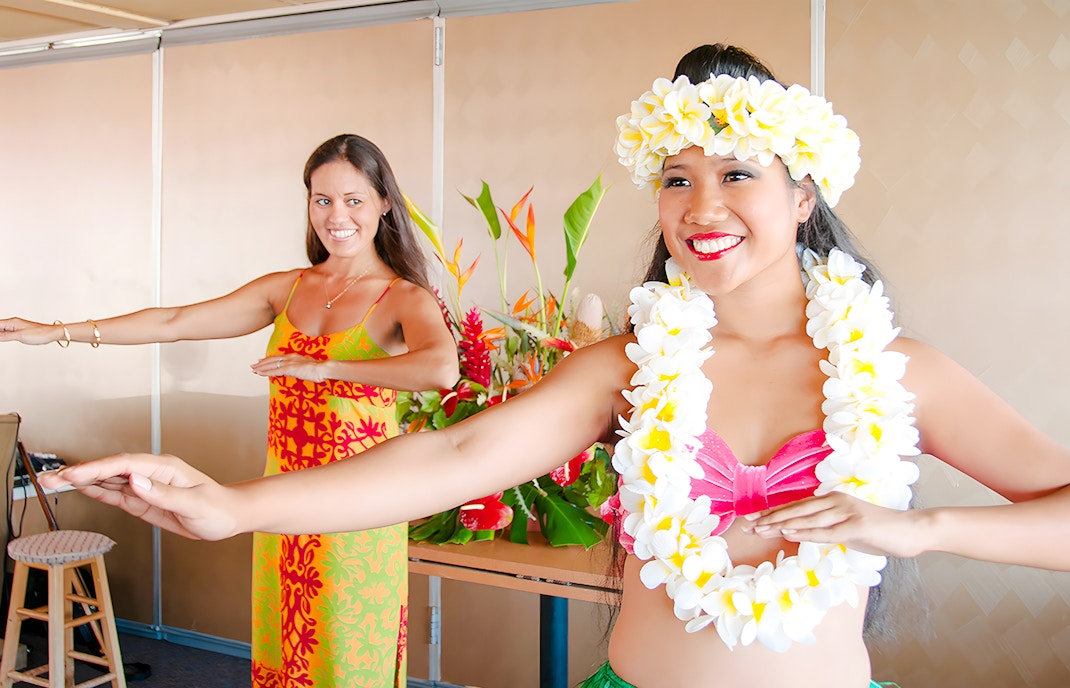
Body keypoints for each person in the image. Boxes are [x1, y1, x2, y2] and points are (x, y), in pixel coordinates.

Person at [35, 45, 1070, 688]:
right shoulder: (633, 366)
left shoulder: (894, 371)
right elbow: (463, 450)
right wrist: (235, 505)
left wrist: (919, 525)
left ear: (803, 195)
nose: (699, 207)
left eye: (736, 175)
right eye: (675, 178)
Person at [1, 133, 460, 688]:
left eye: (353, 200)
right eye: (322, 200)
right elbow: (174, 321)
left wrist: (327, 369)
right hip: (276, 503)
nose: (336, 216)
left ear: (384, 202)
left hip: (355, 508)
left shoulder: (403, 297)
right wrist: (55, 333)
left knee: (343, 655)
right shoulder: (288, 288)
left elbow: (439, 370)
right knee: (286, 647)